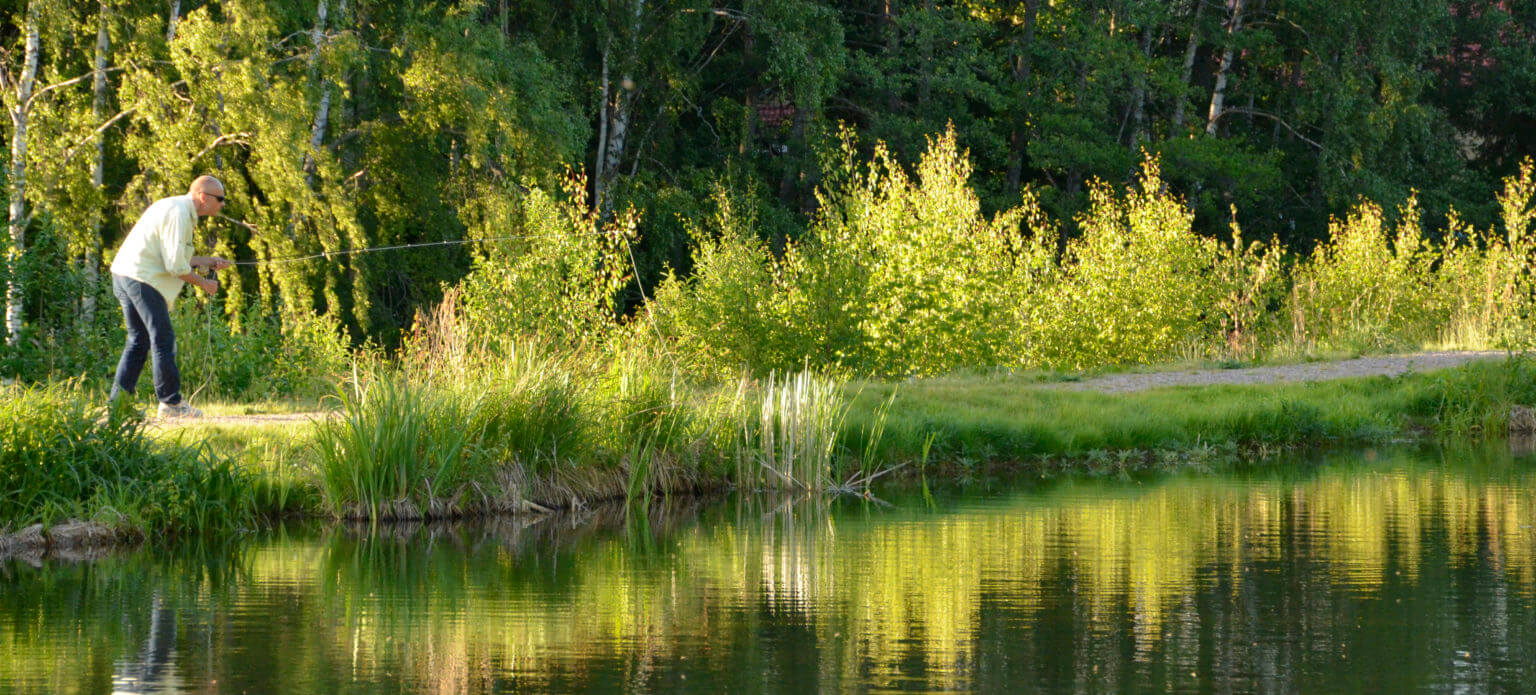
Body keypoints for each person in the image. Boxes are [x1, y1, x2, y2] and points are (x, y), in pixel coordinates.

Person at [107, 175, 233, 418]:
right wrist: (204, 284)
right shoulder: (179, 214)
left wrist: (206, 262)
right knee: (163, 339)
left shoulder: (174, 207)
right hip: (142, 279)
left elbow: (171, 257)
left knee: (138, 341)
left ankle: (118, 407)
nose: (223, 204)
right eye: (220, 199)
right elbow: (175, 266)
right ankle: (171, 404)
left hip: (125, 274)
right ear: (203, 197)